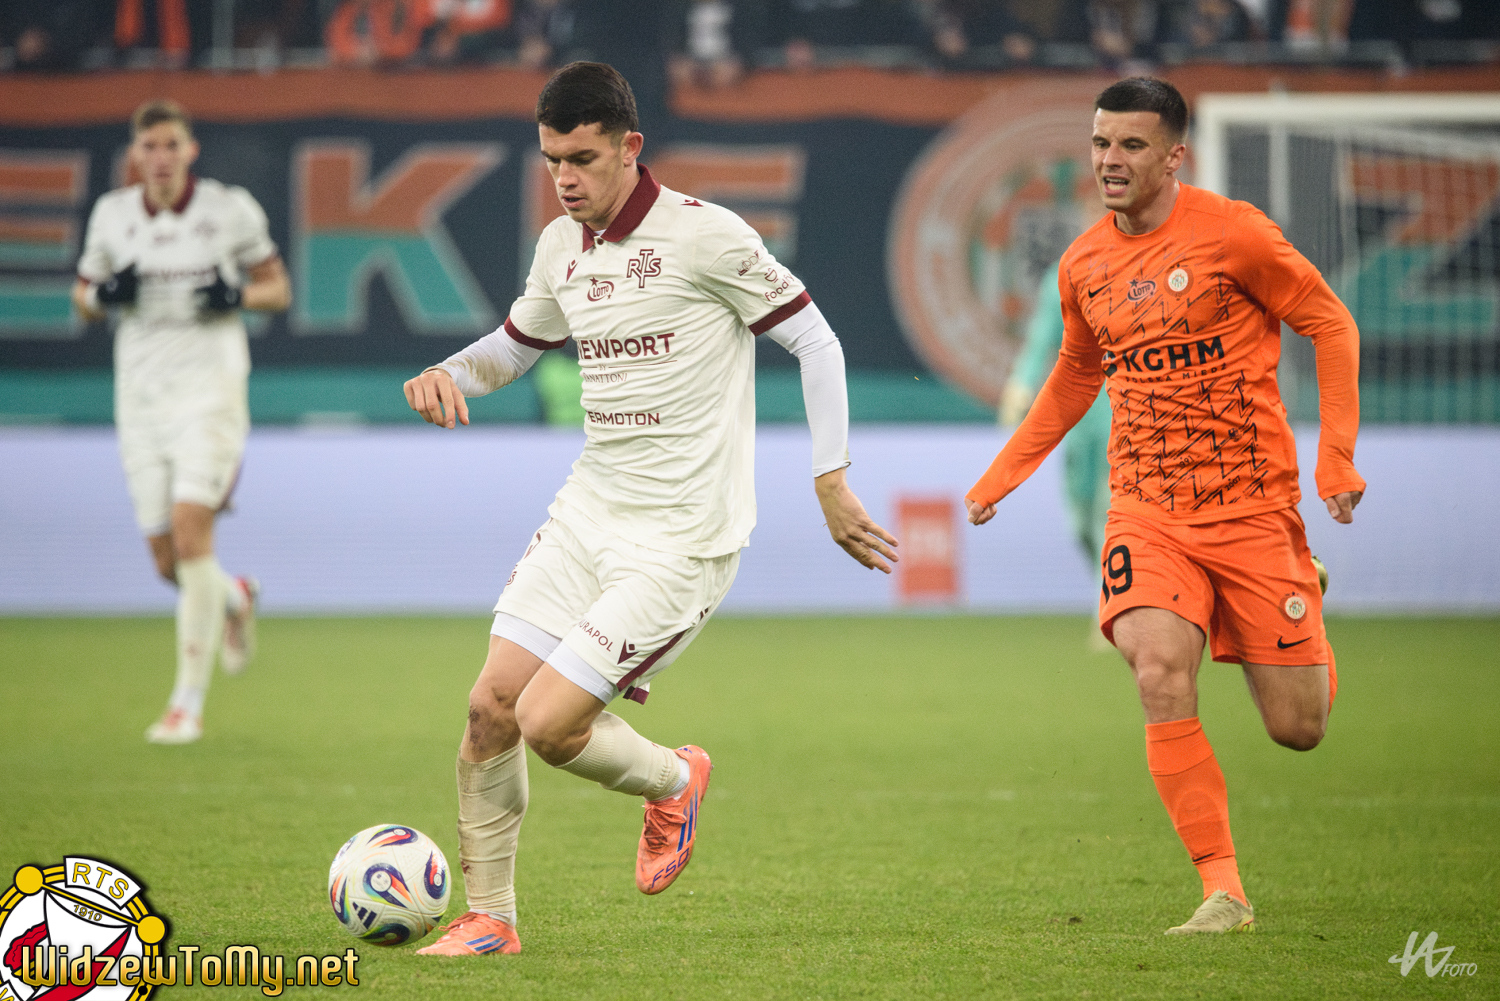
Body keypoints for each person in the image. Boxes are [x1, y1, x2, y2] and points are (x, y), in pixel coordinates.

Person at [403, 61, 897, 956]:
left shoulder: (706, 236)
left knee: (549, 723)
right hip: (589, 512)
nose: (565, 178)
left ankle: (674, 780)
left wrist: (830, 478)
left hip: (681, 538)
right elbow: (515, 345)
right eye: (552, 159)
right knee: (491, 707)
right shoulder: (560, 245)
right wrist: (451, 370)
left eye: (583, 159)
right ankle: (491, 920)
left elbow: (815, 340)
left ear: (630, 146)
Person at [966, 77, 1364, 934]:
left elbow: (1331, 323)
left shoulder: (1236, 233)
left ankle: (1306, 586)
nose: (1109, 160)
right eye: (1100, 143)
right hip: (1146, 509)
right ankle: (1224, 890)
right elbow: (1075, 375)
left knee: (1299, 727)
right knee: (1156, 668)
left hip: (1252, 507)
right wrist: (1003, 475)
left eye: (1131, 145)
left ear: (1175, 155)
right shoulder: (1083, 263)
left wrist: (1335, 456)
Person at [73, 99, 291, 745]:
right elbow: (82, 298)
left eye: (172, 145)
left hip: (210, 395)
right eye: (150, 147)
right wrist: (103, 296)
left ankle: (185, 704)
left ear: (190, 150)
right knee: (168, 560)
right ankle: (234, 597)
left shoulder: (228, 210)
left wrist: (237, 296)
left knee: (193, 529)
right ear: (135, 155)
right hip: (141, 400)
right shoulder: (112, 216)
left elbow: (277, 288)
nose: (161, 158)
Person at [999, 259, 1113, 648]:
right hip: (1078, 419)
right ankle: (1109, 587)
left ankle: (1107, 611)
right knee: (1080, 521)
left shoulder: (1142, 273)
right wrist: (1020, 384)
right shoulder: (1064, 277)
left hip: (1123, 415)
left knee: (1107, 515)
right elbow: (1040, 339)